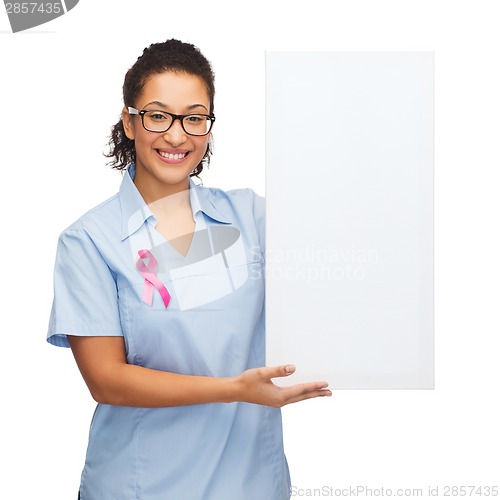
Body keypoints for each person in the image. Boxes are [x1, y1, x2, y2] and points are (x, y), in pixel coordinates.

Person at [47, 39, 332, 500]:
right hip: (141, 485)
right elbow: (106, 379)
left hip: (252, 483)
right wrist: (234, 389)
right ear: (129, 121)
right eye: (158, 116)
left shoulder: (253, 218)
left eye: (194, 118)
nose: (177, 136)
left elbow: (340, 251)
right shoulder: (90, 241)